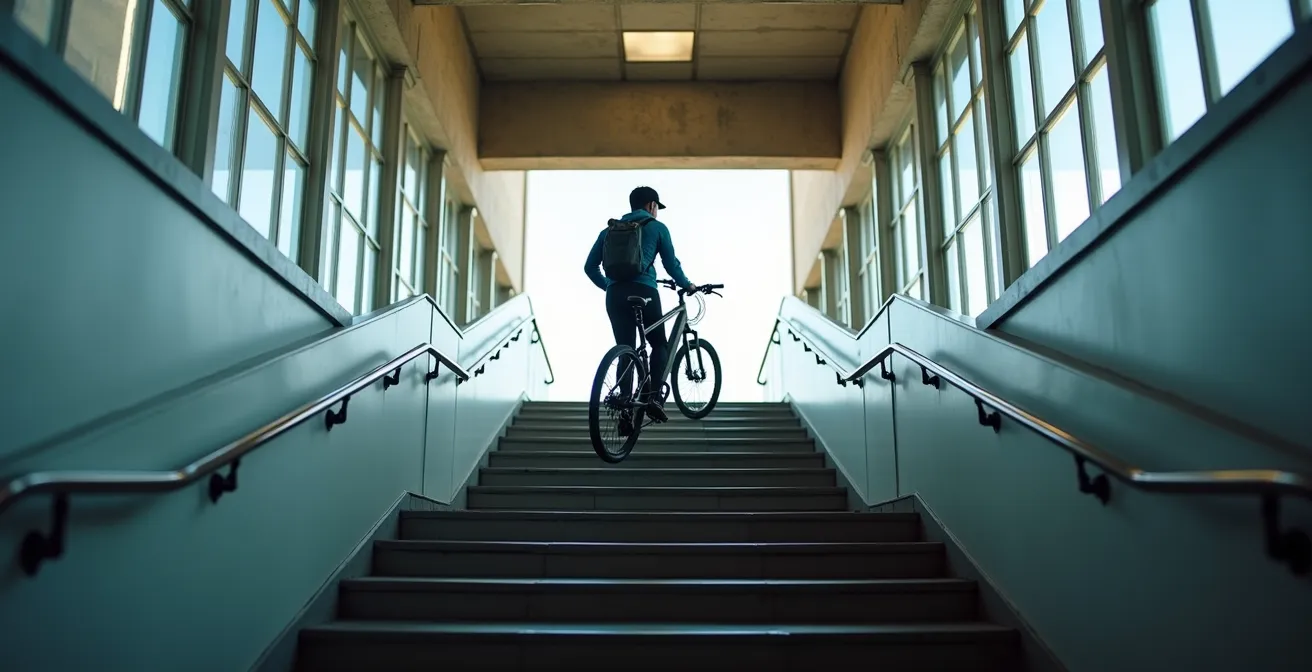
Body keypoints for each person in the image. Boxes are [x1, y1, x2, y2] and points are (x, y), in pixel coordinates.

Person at [584, 186, 696, 423]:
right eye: (657, 208)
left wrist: (610, 286)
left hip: (614, 295)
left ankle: (624, 405)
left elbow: (589, 267)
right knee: (659, 344)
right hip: (644, 291)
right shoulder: (657, 228)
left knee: (626, 347)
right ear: (651, 206)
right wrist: (688, 285)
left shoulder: (609, 230)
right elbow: (671, 265)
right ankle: (654, 398)